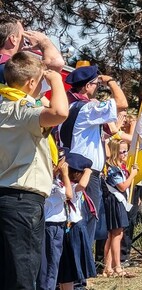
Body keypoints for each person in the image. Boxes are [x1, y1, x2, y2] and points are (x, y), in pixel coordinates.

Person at [0, 51, 69, 288]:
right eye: (40, 80)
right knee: (23, 275)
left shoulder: (5, 103)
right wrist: (57, 80)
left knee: (8, 274)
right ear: (31, 83)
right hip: (22, 201)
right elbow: (60, 113)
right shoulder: (21, 109)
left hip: (7, 197)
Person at [60, 63, 128, 277]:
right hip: (87, 174)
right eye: (96, 85)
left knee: (74, 222)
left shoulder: (69, 106)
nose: (98, 88)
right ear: (87, 86)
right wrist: (111, 81)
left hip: (72, 170)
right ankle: (79, 277)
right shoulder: (87, 109)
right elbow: (122, 104)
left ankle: (72, 274)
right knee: (85, 224)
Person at [57, 153, 95, 290]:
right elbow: (83, 184)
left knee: (73, 263)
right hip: (70, 228)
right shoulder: (69, 186)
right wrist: (89, 171)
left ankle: (75, 285)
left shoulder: (70, 185)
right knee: (69, 264)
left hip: (75, 227)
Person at [102, 139, 138, 277]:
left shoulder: (119, 168)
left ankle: (108, 267)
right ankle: (116, 266)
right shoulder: (112, 169)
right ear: (116, 152)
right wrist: (133, 175)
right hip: (114, 201)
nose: (125, 154)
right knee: (116, 234)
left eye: (126, 151)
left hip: (118, 201)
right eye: (123, 151)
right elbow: (122, 186)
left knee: (116, 234)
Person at [38, 152, 72, 290]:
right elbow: (69, 194)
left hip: (58, 224)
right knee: (50, 263)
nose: (64, 165)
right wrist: (65, 174)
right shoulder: (48, 181)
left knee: (55, 262)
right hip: (50, 225)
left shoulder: (57, 181)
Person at [0, 17, 65, 82]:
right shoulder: (15, 69)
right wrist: (43, 41)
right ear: (13, 39)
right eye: (23, 36)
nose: (24, 41)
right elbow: (56, 63)